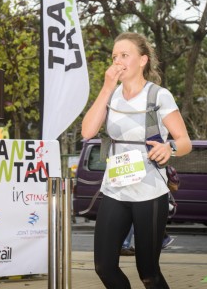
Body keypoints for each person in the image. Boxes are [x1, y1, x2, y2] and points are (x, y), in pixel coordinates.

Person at [81, 32, 192, 289]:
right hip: (115, 188)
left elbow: (185, 141)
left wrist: (169, 148)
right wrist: (106, 88)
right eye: (114, 57)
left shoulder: (158, 95)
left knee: (148, 274)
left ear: (142, 60)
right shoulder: (111, 95)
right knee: (104, 267)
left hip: (150, 191)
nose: (117, 61)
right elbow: (87, 132)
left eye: (124, 55)